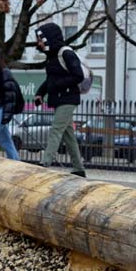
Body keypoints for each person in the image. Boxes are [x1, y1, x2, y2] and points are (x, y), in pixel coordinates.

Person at [33, 23, 87, 177]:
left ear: (48, 38)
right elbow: (50, 79)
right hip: (59, 98)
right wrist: (40, 93)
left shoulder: (66, 53)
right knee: (67, 134)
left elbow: (78, 76)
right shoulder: (51, 57)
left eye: (40, 39)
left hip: (69, 98)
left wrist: (56, 86)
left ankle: (45, 163)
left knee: (56, 129)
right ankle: (78, 168)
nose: (39, 43)